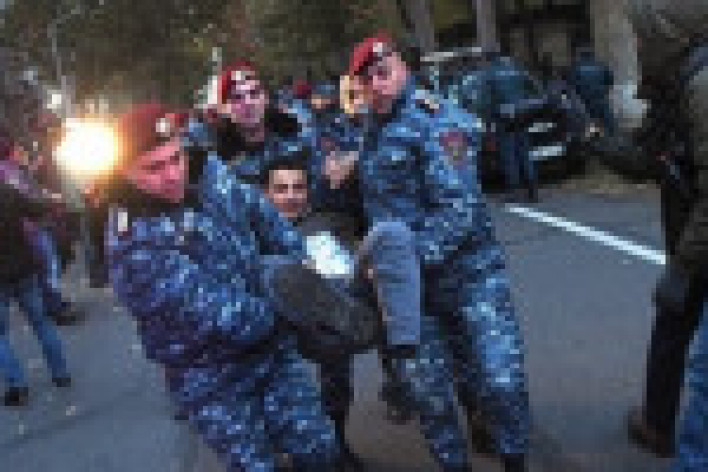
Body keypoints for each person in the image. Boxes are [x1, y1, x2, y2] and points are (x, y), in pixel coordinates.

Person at [105, 103, 344, 472]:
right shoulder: (133, 240)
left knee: (318, 449)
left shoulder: (209, 172)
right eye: (154, 168)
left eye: (176, 158)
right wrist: (294, 308)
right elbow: (216, 316)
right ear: (125, 171)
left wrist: (298, 267)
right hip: (212, 377)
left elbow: (262, 215)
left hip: (272, 352)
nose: (172, 175)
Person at [343, 33, 531, 472]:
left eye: (384, 72)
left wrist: (401, 267)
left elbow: (458, 212)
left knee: (501, 381)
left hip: (471, 276)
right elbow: (379, 205)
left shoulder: (439, 121)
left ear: (402, 68)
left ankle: (515, 461)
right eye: (368, 79)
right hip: (416, 294)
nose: (378, 84)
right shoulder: (371, 130)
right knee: (427, 394)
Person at [618, 0, 708, 465]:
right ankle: (657, 423)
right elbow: (648, 159)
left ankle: (664, 431)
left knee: (700, 370)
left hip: (698, 245)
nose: (636, 43)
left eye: (642, 34)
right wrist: (589, 136)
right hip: (695, 241)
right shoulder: (679, 82)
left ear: (667, 34)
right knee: (674, 330)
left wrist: (683, 267)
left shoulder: (701, 86)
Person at [0, 140, 71, 407]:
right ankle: (60, 372)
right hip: (23, 266)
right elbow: (37, 208)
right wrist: (55, 201)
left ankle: (17, 385)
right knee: (41, 322)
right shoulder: (7, 191)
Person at [486, 52, 538, 202]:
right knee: (524, 152)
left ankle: (514, 191)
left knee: (509, 155)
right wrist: (528, 106)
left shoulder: (490, 73)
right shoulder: (518, 70)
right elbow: (535, 88)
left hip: (504, 118)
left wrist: (489, 121)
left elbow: (487, 100)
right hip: (521, 115)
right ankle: (532, 190)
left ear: (490, 59)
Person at [567, 47, 616, 136]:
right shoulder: (601, 65)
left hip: (584, 99)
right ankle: (610, 134)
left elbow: (571, 84)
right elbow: (610, 80)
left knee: (586, 119)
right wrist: (605, 90)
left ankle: (590, 136)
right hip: (599, 96)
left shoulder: (576, 67)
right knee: (606, 117)